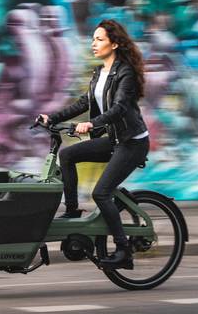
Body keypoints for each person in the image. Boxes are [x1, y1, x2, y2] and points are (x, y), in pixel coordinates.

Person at [38, 19, 149, 268]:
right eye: (93, 39)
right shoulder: (100, 73)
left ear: (115, 43)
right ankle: (73, 210)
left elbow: (120, 107)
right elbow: (83, 103)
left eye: (99, 39)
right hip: (115, 140)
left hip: (132, 143)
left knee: (101, 192)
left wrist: (92, 123)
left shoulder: (125, 73)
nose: (93, 44)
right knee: (67, 156)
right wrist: (51, 118)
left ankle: (123, 250)